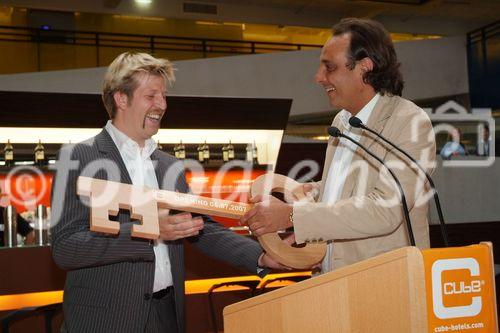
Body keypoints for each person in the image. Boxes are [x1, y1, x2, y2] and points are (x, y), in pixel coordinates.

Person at [50, 52, 284, 333]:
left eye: (163, 95)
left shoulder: (168, 165)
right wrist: (150, 229)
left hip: (167, 316)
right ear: (121, 99)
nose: (161, 104)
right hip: (104, 320)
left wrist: (260, 256)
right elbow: (66, 248)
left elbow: (200, 228)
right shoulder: (78, 158)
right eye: (151, 95)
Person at [241, 18, 436, 273]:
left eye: (329, 68)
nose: (319, 77)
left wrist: (292, 215)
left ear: (365, 68)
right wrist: (309, 192)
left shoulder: (410, 122)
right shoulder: (342, 121)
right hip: (334, 282)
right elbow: (350, 189)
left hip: (385, 284)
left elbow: (385, 209)